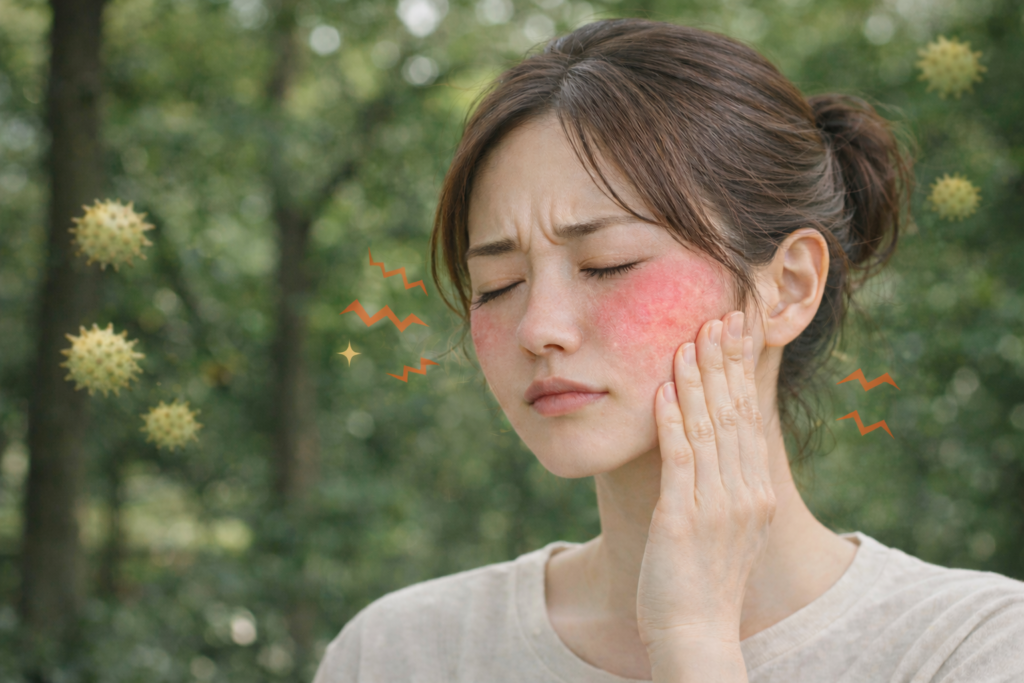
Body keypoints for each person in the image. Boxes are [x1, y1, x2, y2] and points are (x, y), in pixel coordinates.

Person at [313, 18, 1024, 682]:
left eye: (608, 263)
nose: (539, 327)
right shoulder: (398, 653)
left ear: (787, 287)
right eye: (498, 284)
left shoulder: (972, 647)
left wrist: (693, 640)